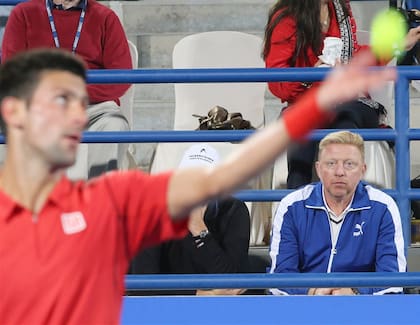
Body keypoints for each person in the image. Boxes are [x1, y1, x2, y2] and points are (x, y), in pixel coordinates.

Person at [0, 47, 395, 324]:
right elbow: (138, 289)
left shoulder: (218, 209)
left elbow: (230, 279)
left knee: (253, 275)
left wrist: (199, 231)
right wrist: (190, 297)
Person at [262, 0, 420, 189]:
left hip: (351, 101)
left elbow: (356, 58)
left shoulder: (339, 8)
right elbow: (277, 82)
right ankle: (298, 204)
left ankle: (348, 205)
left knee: (344, 119)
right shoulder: (285, 16)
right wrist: (312, 75)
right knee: (302, 122)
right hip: (307, 101)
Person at [1, 0, 133, 178]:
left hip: (91, 107)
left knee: (114, 124)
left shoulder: (105, 17)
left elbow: (121, 76)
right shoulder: (23, 14)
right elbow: (12, 69)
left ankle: (101, 197)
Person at [268, 130, 406, 296]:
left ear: (363, 170)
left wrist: (355, 292)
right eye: (331, 164)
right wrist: (312, 291)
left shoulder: (383, 207)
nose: (340, 172)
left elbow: (393, 280)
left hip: (363, 310)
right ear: (318, 169)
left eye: (349, 164)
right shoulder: (292, 206)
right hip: (306, 307)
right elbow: (279, 277)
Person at [129, 143, 251, 296]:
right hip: (166, 311)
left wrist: (200, 230)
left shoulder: (234, 210)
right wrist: (200, 294)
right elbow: (142, 285)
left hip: (219, 311)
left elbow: (233, 284)